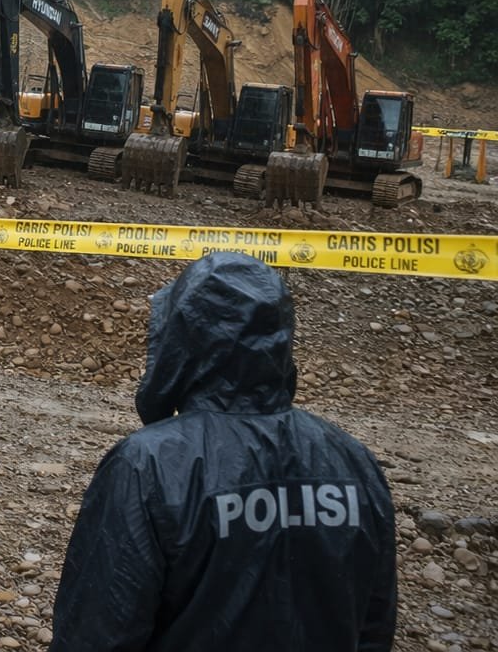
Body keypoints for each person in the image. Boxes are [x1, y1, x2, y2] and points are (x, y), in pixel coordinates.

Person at [47, 252, 397, 652]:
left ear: (180, 340)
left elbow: (99, 630)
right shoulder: (353, 461)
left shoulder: (147, 466)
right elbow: (374, 624)